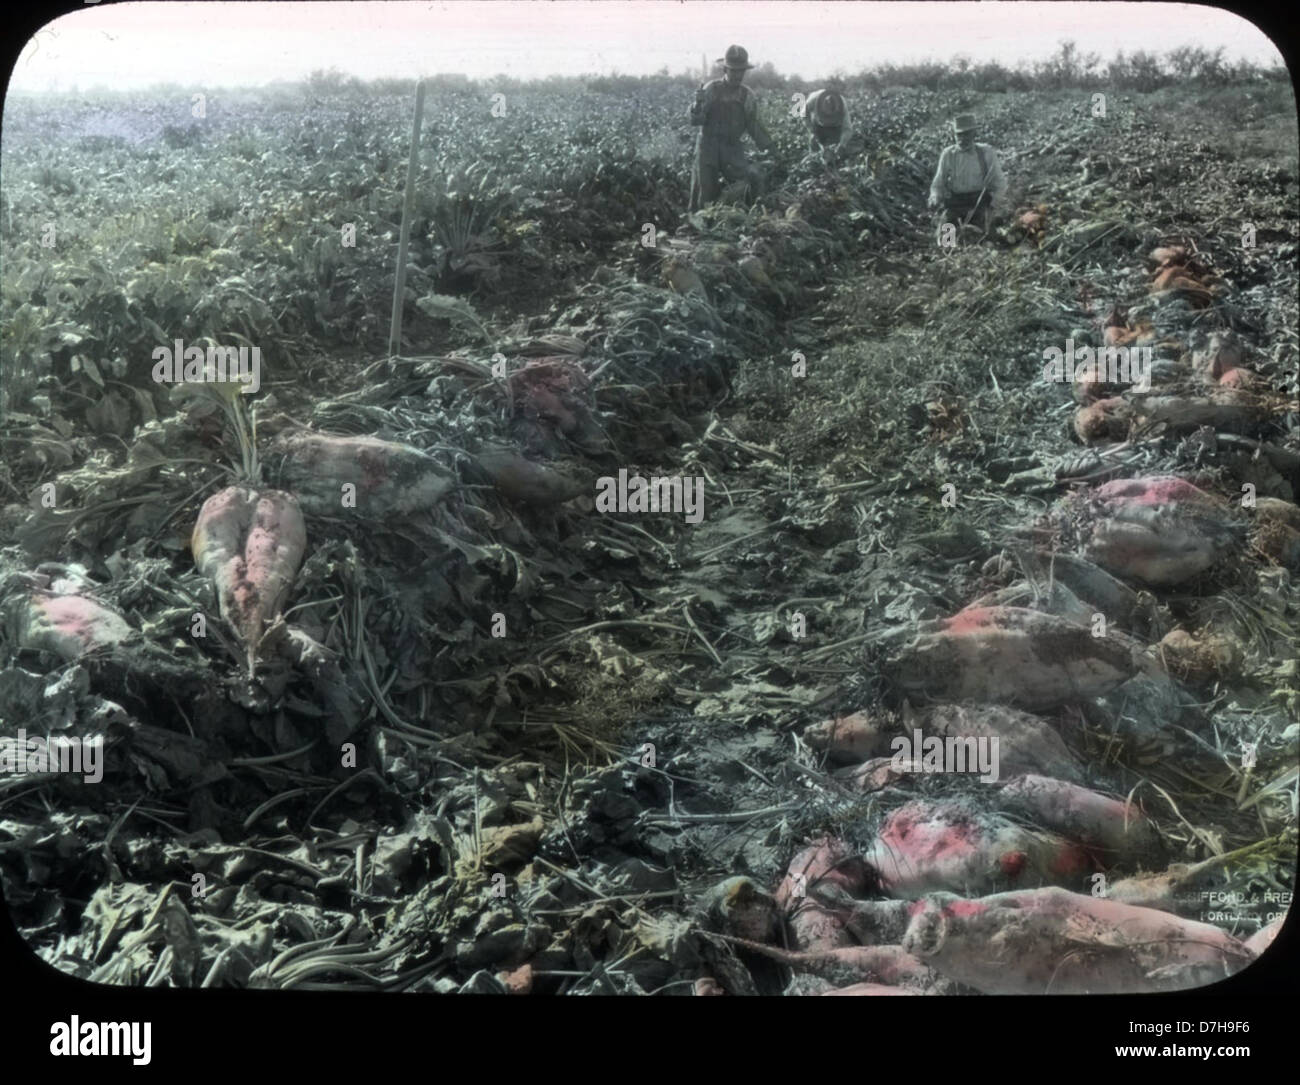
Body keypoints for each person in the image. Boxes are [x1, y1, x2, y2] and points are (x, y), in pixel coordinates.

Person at [688, 45, 775, 211]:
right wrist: (696, 106)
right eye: (733, 71)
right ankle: (698, 229)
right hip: (708, 147)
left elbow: (754, 127)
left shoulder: (747, 96)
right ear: (725, 70)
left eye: (741, 71)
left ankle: (745, 221)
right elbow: (695, 120)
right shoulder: (711, 90)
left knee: (748, 182)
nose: (737, 75)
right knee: (704, 192)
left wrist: (770, 147)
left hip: (732, 148)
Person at [927, 113, 1007, 233]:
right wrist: (934, 198)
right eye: (959, 134)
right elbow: (938, 183)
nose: (962, 138)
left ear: (974, 134)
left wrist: (993, 205)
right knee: (946, 240)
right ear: (954, 135)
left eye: (966, 134)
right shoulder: (948, 154)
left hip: (979, 204)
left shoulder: (986, 152)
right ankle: (951, 248)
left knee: (985, 240)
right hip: (955, 205)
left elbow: (1000, 182)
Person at [803, 88, 849, 155]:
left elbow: (847, 128)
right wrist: (811, 130)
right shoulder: (813, 99)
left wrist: (842, 145)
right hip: (817, 125)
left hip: (834, 127)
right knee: (814, 147)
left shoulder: (842, 104)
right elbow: (803, 114)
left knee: (834, 151)